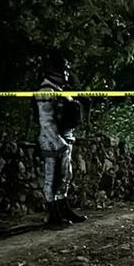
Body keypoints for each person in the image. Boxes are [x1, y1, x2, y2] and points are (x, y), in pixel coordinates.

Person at [36, 54, 86, 227]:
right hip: (52, 141)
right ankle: (53, 214)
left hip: (64, 139)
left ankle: (63, 207)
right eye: (64, 70)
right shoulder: (46, 91)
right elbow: (46, 122)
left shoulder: (58, 89)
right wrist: (59, 143)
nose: (67, 74)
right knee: (52, 177)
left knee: (65, 176)